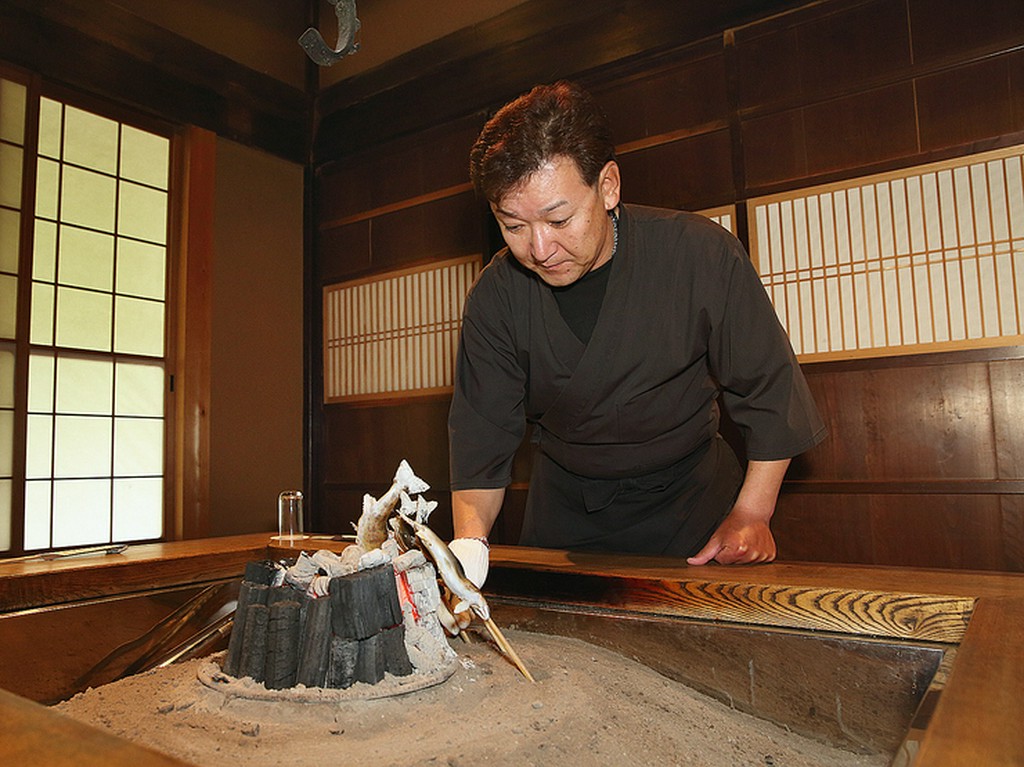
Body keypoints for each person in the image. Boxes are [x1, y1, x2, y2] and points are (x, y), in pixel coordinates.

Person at [445, 81, 826, 593]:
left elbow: (769, 391)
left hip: (694, 504)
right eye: (512, 225)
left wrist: (752, 513)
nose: (539, 247)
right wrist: (468, 551)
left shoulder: (699, 255)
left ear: (608, 186)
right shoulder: (497, 295)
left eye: (559, 219)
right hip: (566, 511)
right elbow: (481, 439)